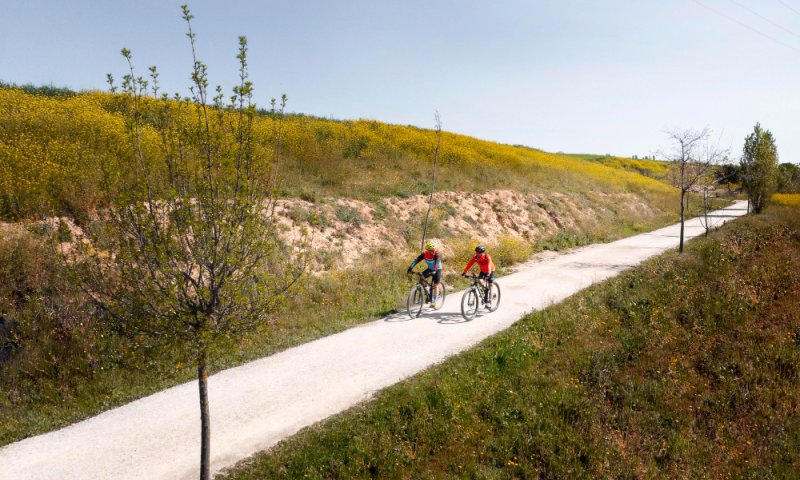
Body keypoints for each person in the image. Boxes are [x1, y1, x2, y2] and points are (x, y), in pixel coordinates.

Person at [407, 241, 443, 307]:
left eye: (434, 249)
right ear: (428, 250)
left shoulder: (436, 254)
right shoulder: (424, 254)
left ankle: (434, 302)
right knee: (421, 278)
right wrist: (410, 268)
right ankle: (428, 290)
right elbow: (416, 260)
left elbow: (437, 262)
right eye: (431, 250)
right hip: (430, 268)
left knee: (436, 285)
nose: (433, 251)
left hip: (437, 269)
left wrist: (435, 270)